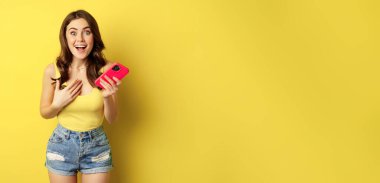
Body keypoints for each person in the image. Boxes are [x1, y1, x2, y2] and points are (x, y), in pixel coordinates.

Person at [40, 10, 121, 183]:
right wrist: (57, 104)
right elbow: (45, 112)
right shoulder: (52, 71)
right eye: (73, 33)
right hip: (61, 145)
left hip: (96, 147)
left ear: (94, 36)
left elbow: (112, 119)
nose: (80, 40)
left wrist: (107, 97)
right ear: (65, 37)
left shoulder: (105, 70)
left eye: (87, 32)